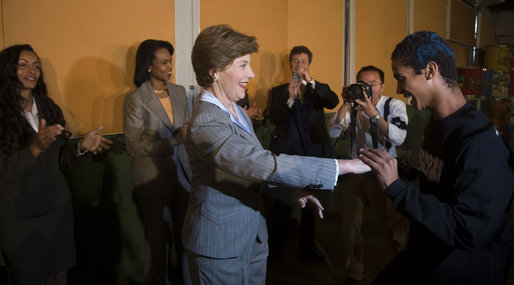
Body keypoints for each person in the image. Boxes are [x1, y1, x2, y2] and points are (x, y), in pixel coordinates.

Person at [182, 24, 371, 285]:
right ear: (214, 70)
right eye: (242, 65)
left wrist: (291, 193)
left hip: (253, 239)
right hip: (220, 246)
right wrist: (343, 165)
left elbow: (250, 173)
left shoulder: (236, 110)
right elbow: (257, 163)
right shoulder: (207, 121)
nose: (252, 72)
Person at [359, 31, 514, 285]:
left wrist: (398, 190)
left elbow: (466, 230)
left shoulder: (478, 142)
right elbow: (439, 183)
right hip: (425, 253)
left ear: (430, 71)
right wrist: (409, 205)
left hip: (461, 270)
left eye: (401, 78)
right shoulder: (435, 125)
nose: (398, 88)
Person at [0, 44, 112, 285]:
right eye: (22, 65)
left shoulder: (49, 108)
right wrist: (35, 148)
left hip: (57, 209)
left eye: (36, 66)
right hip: (20, 217)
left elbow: (61, 159)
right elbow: (5, 171)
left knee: (60, 275)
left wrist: (81, 147)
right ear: (8, 70)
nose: (32, 71)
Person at [327, 65, 409, 284]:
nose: (367, 89)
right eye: (362, 84)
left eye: (372, 84)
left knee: (393, 225)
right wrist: (345, 104)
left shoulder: (393, 105)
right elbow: (333, 131)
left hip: (384, 171)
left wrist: (373, 115)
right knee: (350, 225)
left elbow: (399, 137)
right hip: (356, 169)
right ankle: (354, 272)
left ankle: (400, 267)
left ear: (381, 86)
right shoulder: (352, 107)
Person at [124, 39, 192, 285]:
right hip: (152, 181)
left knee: (187, 240)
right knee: (157, 243)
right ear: (148, 66)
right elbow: (133, 146)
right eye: (163, 62)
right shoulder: (136, 99)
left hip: (183, 176)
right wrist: (173, 141)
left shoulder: (180, 92)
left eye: (170, 61)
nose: (169, 66)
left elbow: (187, 134)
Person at [268, 45, 339, 261]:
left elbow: (333, 101)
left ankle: (307, 249)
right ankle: (274, 252)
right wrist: (289, 99)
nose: (299, 65)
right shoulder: (278, 91)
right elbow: (274, 118)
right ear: (290, 64)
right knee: (281, 205)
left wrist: (311, 83)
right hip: (288, 155)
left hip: (313, 154)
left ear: (309, 64)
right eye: (296, 61)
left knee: (310, 208)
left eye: (304, 61)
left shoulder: (318, 89)